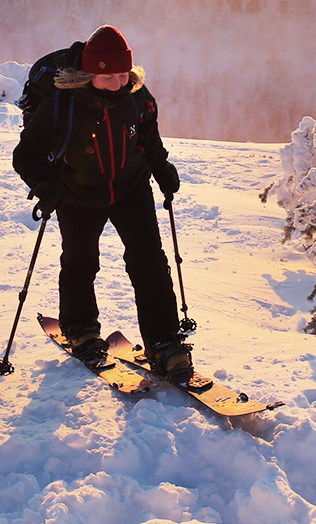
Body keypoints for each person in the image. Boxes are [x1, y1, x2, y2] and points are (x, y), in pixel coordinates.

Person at [12, 24, 191, 377]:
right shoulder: (62, 106)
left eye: (124, 75)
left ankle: (165, 342)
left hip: (130, 189)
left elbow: (148, 137)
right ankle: (80, 333)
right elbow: (26, 155)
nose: (118, 84)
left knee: (150, 263)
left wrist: (161, 166)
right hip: (77, 195)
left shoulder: (137, 96)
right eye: (109, 78)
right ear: (89, 73)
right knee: (81, 263)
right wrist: (45, 185)